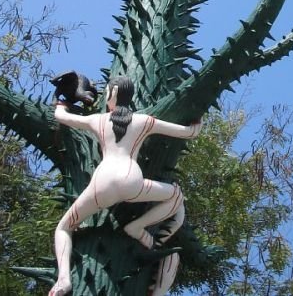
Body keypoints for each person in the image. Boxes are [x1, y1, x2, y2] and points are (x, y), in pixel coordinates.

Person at [49, 76, 202, 296]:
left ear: (111, 95)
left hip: (102, 184)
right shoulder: (144, 121)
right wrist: (197, 122)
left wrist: (62, 103)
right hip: (132, 181)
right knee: (175, 197)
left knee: (64, 227)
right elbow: (188, 133)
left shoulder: (98, 120)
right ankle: (137, 228)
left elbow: (60, 116)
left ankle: (63, 281)